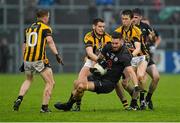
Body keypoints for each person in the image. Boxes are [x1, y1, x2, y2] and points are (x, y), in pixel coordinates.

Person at [55, 18, 128, 111]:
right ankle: (76, 105)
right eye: (100, 26)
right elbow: (89, 53)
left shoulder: (108, 37)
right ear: (94, 26)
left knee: (115, 81)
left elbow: (114, 50)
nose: (102, 29)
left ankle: (126, 105)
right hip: (91, 61)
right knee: (78, 83)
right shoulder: (89, 36)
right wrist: (99, 61)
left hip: (106, 61)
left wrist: (117, 66)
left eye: (103, 27)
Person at [13, 9, 63, 113]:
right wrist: (57, 55)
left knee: (28, 80)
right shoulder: (45, 28)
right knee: (50, 83)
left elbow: (24, 44)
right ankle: (44, 108)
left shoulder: (29, 28)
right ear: (45, 17)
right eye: (48, 16)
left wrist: (25, 59)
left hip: (27, 59)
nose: (48, 18)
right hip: (39, 60)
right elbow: (50, 41)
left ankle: (19, 98)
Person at [114, 9, 149, 108]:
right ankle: (135, 94)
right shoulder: (118, 31)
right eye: (122, 19)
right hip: (130, 59)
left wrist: (128, 57)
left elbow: (138, 48)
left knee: (140, 76)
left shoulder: (136, 30)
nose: (124, 21)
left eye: (126, 19)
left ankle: (135, 102)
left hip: (141, 56)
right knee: (124, 83)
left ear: (131, 19)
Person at [132, 8, 160, 110]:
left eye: (135, 17)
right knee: (141, 77)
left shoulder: (145, 26)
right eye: (132, 17)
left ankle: (148, 98)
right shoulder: (129, 28)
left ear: (140, 18)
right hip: (135, 58)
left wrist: (152, 37)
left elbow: (153, 39)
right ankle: (140, 100)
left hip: (145, 56)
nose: (133, 19)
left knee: (156, 77)